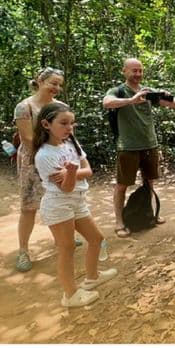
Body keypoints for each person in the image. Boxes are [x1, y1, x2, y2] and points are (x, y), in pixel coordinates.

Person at [33, 102, 117, 308]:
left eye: (72, 123)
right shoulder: (44, 155)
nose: (69, 128)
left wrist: (72, 171)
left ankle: (92, 277)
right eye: (63, 123)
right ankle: (69, 295)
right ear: (46, 124)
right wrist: (70, 173)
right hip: (59, 204)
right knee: (67, 248)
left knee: (96, 239)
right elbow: (66, 188)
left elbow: (88, 170)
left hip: (77, 200)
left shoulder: (71, 143)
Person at [102, 58, 175, 236]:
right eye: (133, 70)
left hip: (149, 143)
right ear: (124, 71)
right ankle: (119, 222)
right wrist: (131, 100)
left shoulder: (147, 91)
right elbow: (106, 102)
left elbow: (173, 105)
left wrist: (167, 95)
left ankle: (149, 214)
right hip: (128, 145)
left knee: (149, 181)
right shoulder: (119, 91)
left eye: (140, 71)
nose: (137, 74)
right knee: (122, 184)